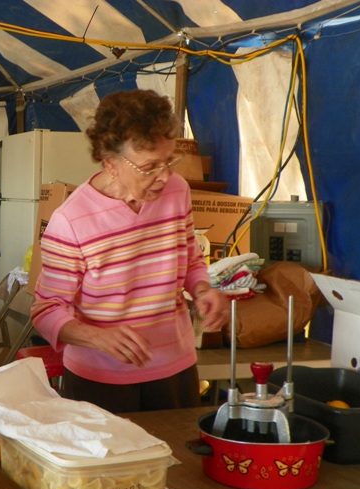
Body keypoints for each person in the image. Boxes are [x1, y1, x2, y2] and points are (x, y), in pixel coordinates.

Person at [30, 89, 229, 413]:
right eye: (150, 167)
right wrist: (96, 337)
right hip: (100, 378)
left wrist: (203, 289)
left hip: (175, 367)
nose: (165, 176)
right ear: (111, 163)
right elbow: (46, 310)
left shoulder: (177, 191)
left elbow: (191, 258)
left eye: (169, 160)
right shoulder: (71, 220)